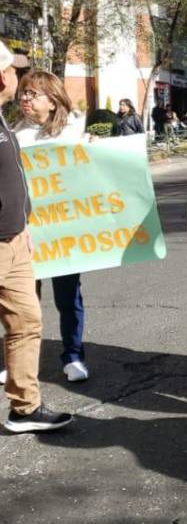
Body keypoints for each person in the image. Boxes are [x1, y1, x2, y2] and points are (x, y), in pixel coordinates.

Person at [0, 41, 73, 432]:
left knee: (27, 323)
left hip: (14, 242)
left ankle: (24, 409)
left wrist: (23, 221)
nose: (16, 80)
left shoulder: (2, 122)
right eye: (13, 72)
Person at [14, 71, 90, 382]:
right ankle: (18, 361)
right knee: (21, 301)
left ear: (53, 101)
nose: (25, 99)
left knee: (67, 298)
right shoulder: (14, 135)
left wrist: (94, 149)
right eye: (23, 93)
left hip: (63, 233)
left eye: (33, 94)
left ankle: (73, 356)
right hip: (24, 232)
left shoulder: (73, 135)